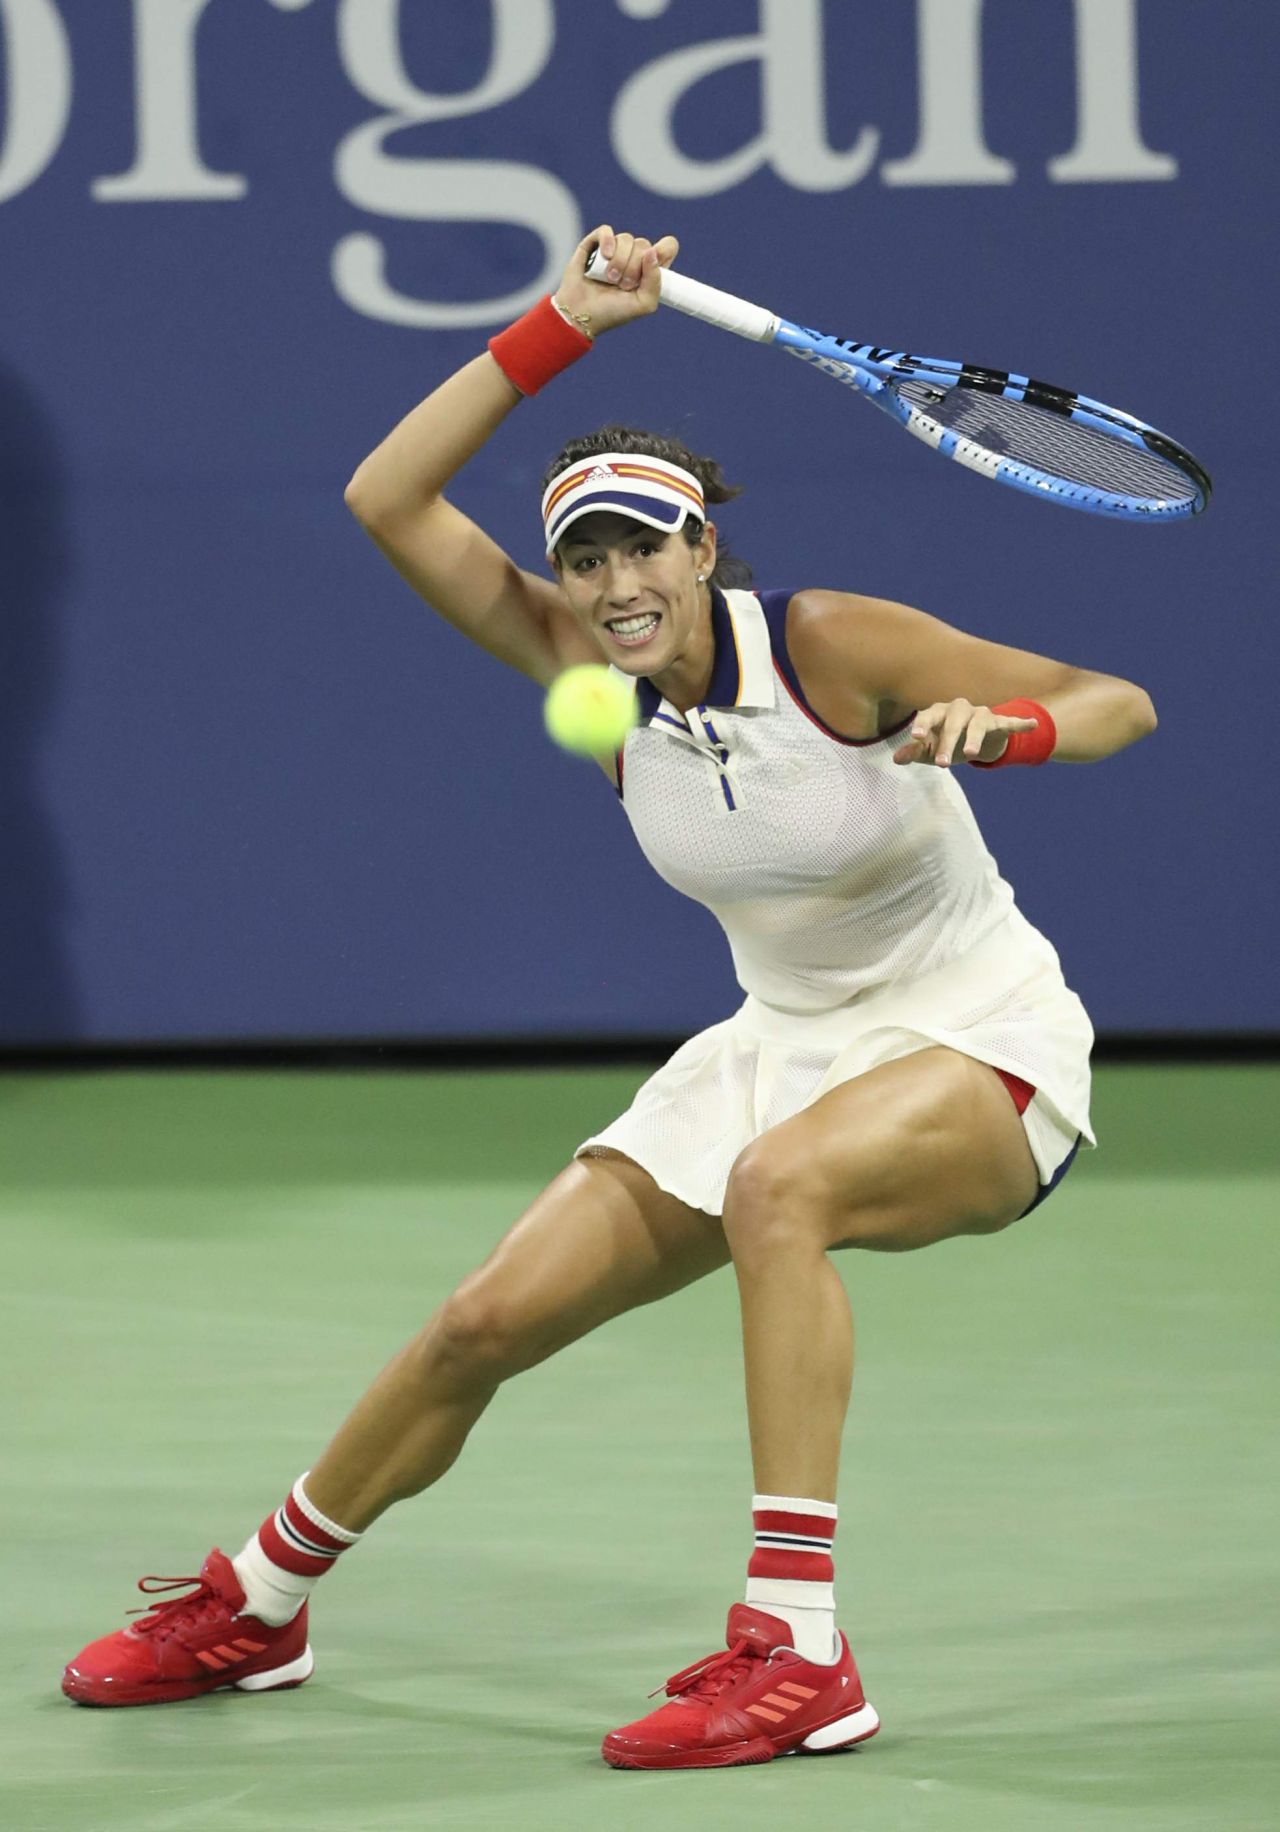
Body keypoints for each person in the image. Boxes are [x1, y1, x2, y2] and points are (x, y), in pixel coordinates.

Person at [62, 227, 1154, 1770]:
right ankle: (261, 1600)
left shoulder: (831, 644)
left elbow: (1123, 701)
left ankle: (800, 1653)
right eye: (588, 558)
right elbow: (385, 498)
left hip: (980, 1045)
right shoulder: (588, 680)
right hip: (776, 1048)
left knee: (783, 1191)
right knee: (481, 1322)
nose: (618, 582)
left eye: (647, 545)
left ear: (705, 548)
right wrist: (559, 324)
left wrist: (1012, 733)